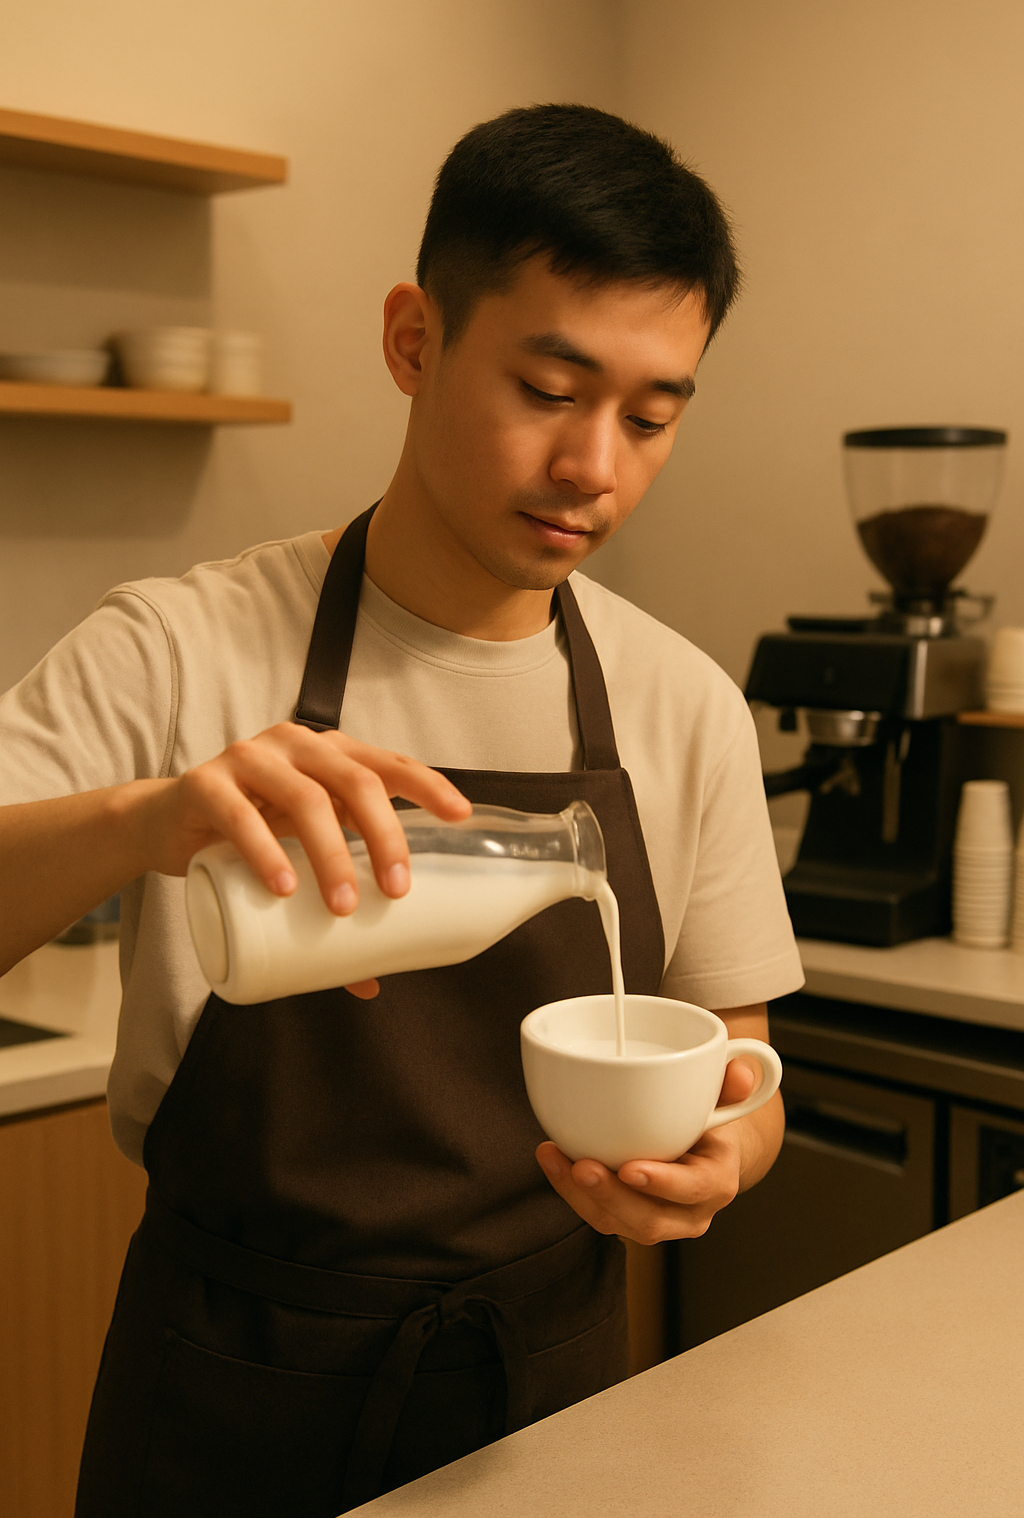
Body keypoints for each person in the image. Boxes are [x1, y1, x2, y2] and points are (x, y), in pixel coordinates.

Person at [0, 103, 803, 1516]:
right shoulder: (178, 649)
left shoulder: (681, 706)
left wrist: (729, 1147)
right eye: (551, 390)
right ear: (415, 340)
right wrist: (145, 822)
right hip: (227, 1388)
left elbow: (736, 1049)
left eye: (652, 416)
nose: (596, 469)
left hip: (552, 1393)